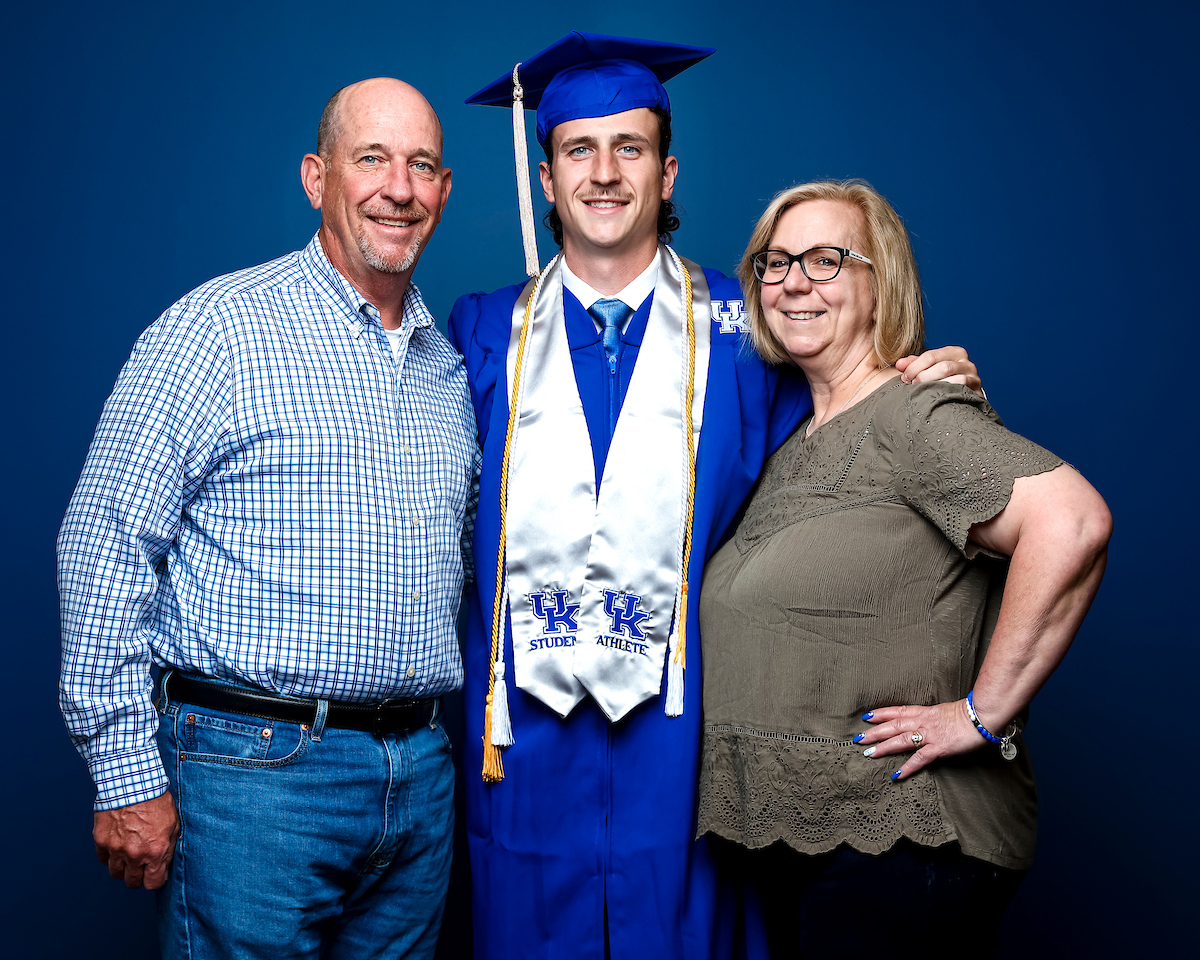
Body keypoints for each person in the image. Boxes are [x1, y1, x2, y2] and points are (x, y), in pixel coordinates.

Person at [449, 33, 982, 960]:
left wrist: (921, 376)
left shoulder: (752, 326)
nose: (605, 173)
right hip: (524, 731)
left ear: (667, 172)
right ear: (545, 178)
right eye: (579, 148)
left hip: (687, 729)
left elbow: (847, 439)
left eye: (631, 148)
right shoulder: (484, 330)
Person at [58, 78, 475, 960]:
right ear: (316, 177)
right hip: (254, 778)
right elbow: (104, 541)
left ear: (443, 190)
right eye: (371, 160)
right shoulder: (218, 328)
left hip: (419, 781)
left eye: (422, 165)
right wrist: (124, 770)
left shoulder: (450, 370)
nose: (398, 187)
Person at [696, 179, 1112, 958]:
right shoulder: (789, 428)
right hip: (811, 852)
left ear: (880, 279)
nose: (793, 281)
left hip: (903, 851)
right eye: (775, 262)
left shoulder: (916, 411)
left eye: (826, 259)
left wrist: (982, 714)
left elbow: (1073, 521)